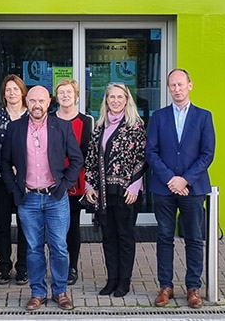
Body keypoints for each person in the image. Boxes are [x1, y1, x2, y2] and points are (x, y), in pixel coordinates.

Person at [0, 85, 84, 311]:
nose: (37, 105)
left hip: (56, 198)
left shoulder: (62, 127)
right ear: (28, 101)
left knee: (58, 246)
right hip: (28, 199)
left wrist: (64, 185)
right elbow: (5, 163)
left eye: (42, 101)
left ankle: (60, 291)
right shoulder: (15, 128)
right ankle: (37, 292)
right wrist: (14, 190)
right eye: (33, 100)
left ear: (49, 102)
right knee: (34, 248)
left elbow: (77, 160)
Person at [146, 69, 215, 309]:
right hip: (164, 189)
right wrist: (170, 179)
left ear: (190, 86)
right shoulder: (158, 116)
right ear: (168, 88)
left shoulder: (204, 116)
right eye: (172, 85)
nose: (176, 89)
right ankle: (166, 286)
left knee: (194, 238)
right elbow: (151, 153)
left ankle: (193, 287)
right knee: (164, 237)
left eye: (180, 84)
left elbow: (207, 154)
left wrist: (184, 179)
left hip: (193, 189)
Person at [84, 82, 146, 298]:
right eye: (112, 97)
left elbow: (143, 157)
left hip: (126, 193)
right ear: (106, 100)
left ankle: (124, 282)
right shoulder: (100, 126)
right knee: (108, 237)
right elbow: (91, 158)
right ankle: (111, 280)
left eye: (120, 97)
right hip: (103, 192)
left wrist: (135, 185)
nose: (116, 101)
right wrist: (89, 185)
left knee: (125, 236)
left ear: (127, 100)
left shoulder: (135, 126)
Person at [53, 78, 93, 286]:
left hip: (75, 182)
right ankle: (56, 265)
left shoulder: (86, 121)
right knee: (53, 226)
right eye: (61, 92)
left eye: (69, 92)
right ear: (56, 96)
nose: (65, 96)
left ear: (76, 95)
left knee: (72, 226)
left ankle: (72, 266)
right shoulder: (50, 119)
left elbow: (85, 153)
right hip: (53, 180)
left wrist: (72, 175)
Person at [0, 74, 29, 286]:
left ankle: (23, 267)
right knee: (2, 224)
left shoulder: (31, 115)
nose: (12, 93)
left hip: (26, 179)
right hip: (0, 179)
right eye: (8, 90)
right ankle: (4, 266)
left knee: (25, 224)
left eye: (15, 89)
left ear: (23, 92)